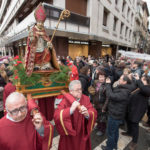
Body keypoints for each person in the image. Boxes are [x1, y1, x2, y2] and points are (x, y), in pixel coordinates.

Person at [54, 80, 97, 150]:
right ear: (71, 91)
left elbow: (93, 111)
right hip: (69, 134)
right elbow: (57, 116)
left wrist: (87, 114)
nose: (80, 91)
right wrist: (70, 109)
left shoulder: (85, 98)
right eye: (77, 90)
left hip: (82, 132)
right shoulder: (65, 101)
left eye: (80, 89)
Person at [25, 3, 59, 76]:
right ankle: (36, 65)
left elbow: (47, 39)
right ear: (37, 22)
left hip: (43, 48)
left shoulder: (44, 31)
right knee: (36, 56)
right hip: (36, 48)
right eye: (39, 22)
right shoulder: (32, 30)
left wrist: (49, 44)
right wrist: (34, 37)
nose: (40, 24)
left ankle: (46, 65)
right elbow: (31, 41)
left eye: (42, 22)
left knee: (47, 52)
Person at [101, 75, 131, 150]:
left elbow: (111, 96)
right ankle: (114, 145)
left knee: (110, 132)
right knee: (115, 131)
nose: (119, 80)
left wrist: (108, 84)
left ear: (125, 82)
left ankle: (109, 148)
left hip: (115, 115)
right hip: (116, 113)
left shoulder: (124, 92)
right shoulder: (123, 88)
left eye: (120, 79)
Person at [126, 74, 150, 150]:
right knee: (129, 120)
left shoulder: (147, 89)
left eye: (142, 80)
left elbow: (144, 89)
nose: (141, 81)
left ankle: (134, 142)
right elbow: (135, 86)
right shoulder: (141, 86)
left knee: (134, 124)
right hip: (132, 107)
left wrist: (138, 80)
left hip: (138, 110)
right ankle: (129, 132)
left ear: (146, 81)